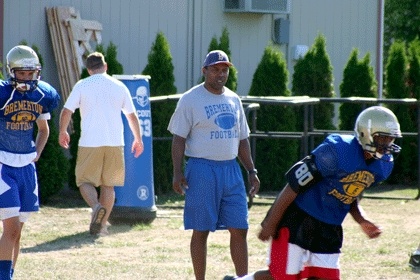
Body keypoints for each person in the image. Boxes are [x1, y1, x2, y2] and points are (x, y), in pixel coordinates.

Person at [227, 106, 402, 280]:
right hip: (299, 219)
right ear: (366, 133)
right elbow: (294, 185)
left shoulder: (383, 164)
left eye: (390, 139)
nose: (387, 144)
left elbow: (350, 194)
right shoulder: (337, 151)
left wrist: (361, 219)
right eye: (383, 138)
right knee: (281, 277)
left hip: (330, 226)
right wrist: (270, 222)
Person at [168, 50, 260, 280]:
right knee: (201, 230)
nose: (221, 74)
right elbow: (178, 139)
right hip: (201, 169)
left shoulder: (233, 99)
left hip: (231, 170)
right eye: (216, 69)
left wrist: (251, 170)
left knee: (240, 227)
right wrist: (177, 172)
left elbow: (242, 139)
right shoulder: (190, 99)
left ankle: (243, 279)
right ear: (204, 71)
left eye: (225, 70)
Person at [58, 52, 144, 237]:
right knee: (109, 186)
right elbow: (132, 116)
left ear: (89, 70)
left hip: (90, 142)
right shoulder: (119, 86)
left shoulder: (82, 85)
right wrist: (138, 139)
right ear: (105, 66)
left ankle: (96, 207)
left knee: (84, 181)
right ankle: (102, 227)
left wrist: (63, 131)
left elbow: (66, 111)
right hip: (115, 143)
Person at [0, 45, 60, 279]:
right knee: (11, 228)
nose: (26, 78)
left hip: (26, 166)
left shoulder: (43, 94)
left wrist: (37, 153)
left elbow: (43, 130)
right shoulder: (4, 94)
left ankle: (9, 274)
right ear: (10, 71)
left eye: (30, 73)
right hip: (4, 164)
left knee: (17, 232)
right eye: (21, 73)